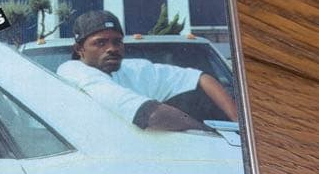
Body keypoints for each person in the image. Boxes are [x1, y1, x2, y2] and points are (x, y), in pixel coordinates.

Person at [57, 10, 238, 132]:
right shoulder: (73, 72)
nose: (112, 48)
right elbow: (151, 114)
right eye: (100, 42)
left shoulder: (132, 69)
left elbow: (201, 77)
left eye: (117, 41)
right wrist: (205, 132)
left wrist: (238, 123)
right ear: (79, 49)